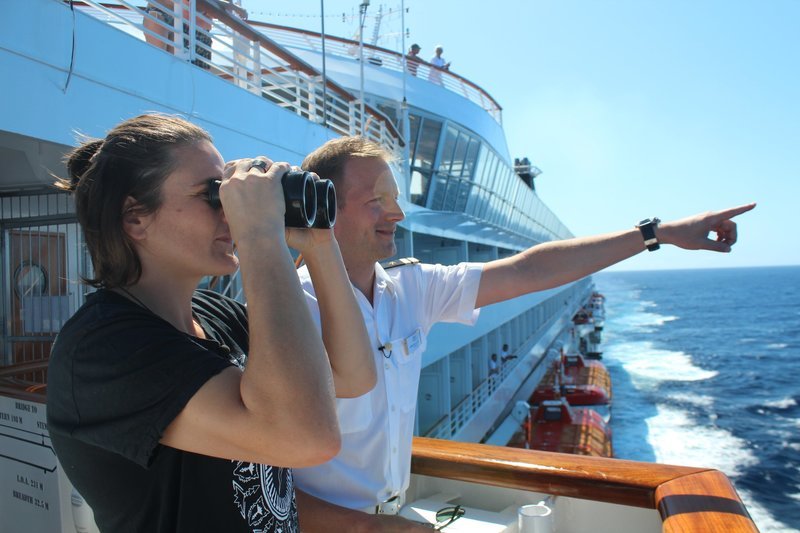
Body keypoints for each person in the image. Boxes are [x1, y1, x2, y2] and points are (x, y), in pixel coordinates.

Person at [289, 135, 755, 531]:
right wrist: (368, 526)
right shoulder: (288, 311)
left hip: (393, 517)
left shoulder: (408, 288)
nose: (397, 215)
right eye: (378, 202)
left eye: (395, 199)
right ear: (324, 208)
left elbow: (531, 269)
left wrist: (657, 234)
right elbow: (256, 472)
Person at [46, 114, 375, 532]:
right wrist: (259, 234)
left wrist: (318, 240)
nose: (231, 215)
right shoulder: (102, 349)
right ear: (135, 219)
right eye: (213, 196)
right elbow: (306, 437)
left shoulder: (218, 314)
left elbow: (355, 376)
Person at [143, 0, 247, 69]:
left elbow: (214, 6)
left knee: (195, 80)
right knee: (162, 64)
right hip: (168, 17)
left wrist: (231, 6)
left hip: (197, 31)